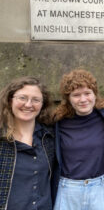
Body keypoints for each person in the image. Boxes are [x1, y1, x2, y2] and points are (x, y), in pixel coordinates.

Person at [53, 69, 104, 210]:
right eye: (76, 95)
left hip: (100, 188)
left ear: (95, 94)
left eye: (88, 93)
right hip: (67, 190)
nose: (83, 100)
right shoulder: (58, 121)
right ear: (68, 99)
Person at [0, 76, 55, 210]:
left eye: (36, 100)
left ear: (42, 105)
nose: (28, 104)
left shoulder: (49, 137)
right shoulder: (2, 139)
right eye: (22, 98)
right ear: (10, 100)